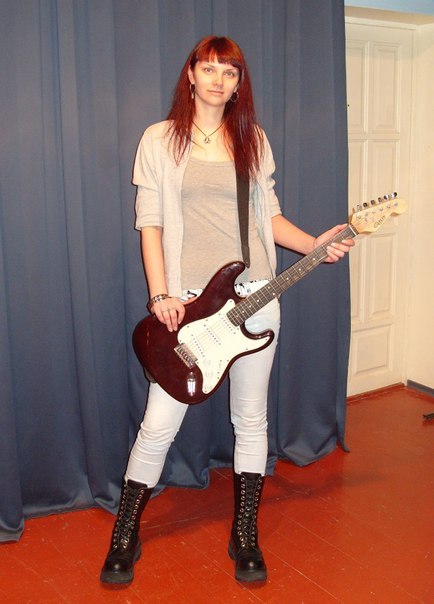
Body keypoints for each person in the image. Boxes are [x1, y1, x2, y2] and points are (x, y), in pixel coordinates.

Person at [100, 35, 354, 585]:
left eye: (230, 71)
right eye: (209, 68)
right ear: (190, 75)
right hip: (189, 304)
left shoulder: (251, 139)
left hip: (256, 296)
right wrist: (161, 295)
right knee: (158, 422)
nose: (219, 79)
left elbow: (270, 217)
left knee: (251, 418)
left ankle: (244, 532)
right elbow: (150, 223)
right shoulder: (159, 139)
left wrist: (314, 244)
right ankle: (125, 532)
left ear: (239, 83)